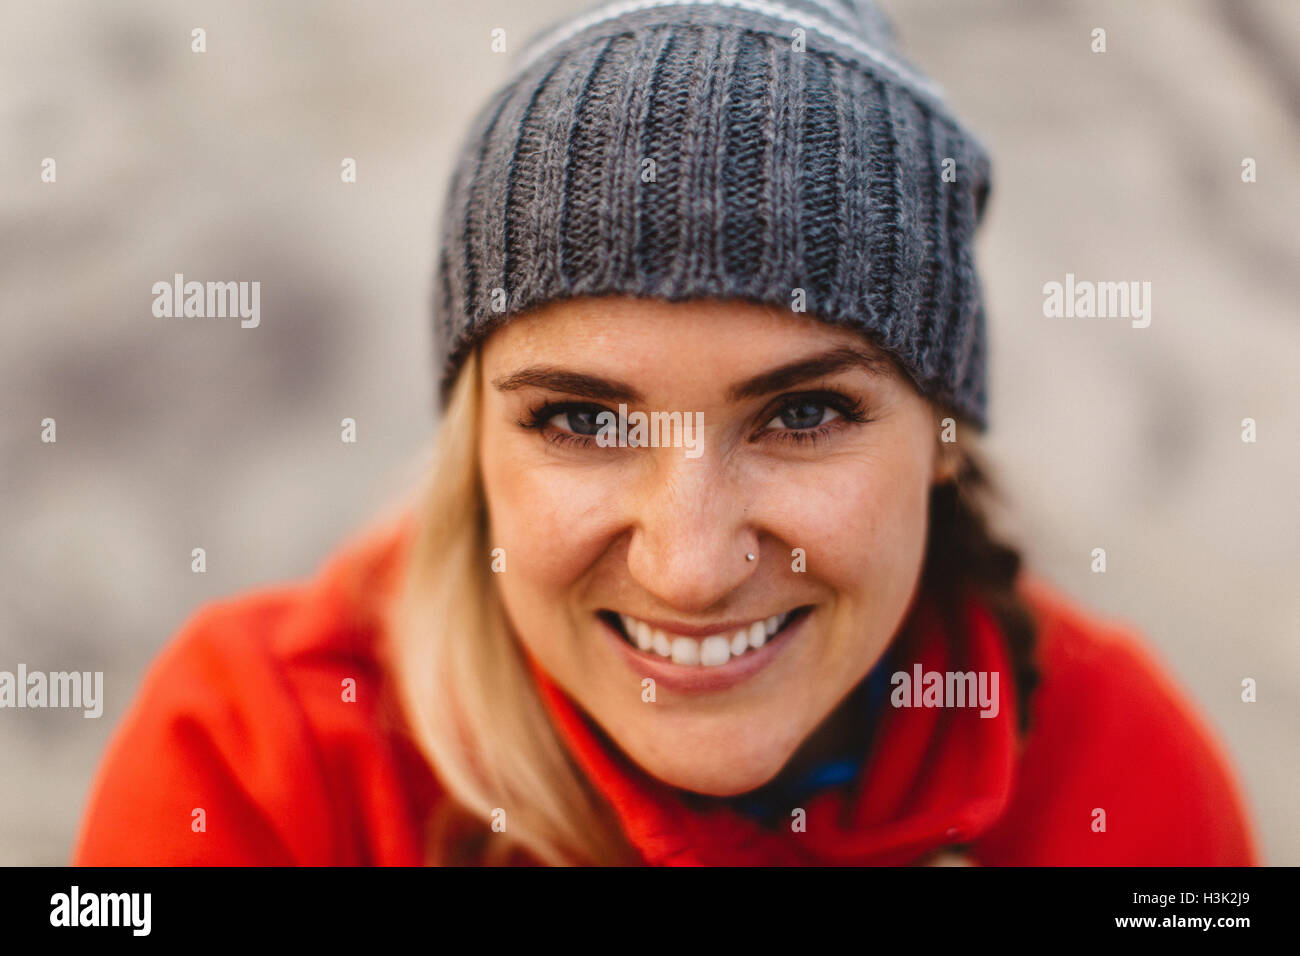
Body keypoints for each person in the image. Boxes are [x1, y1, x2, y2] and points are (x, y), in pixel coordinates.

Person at [74, 0, 1259, 866]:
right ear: (474, 442)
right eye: (581, 419)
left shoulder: (1108, 776)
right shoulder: (256, 767)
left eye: (803, 412)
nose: (689, 567)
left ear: (945, 425)